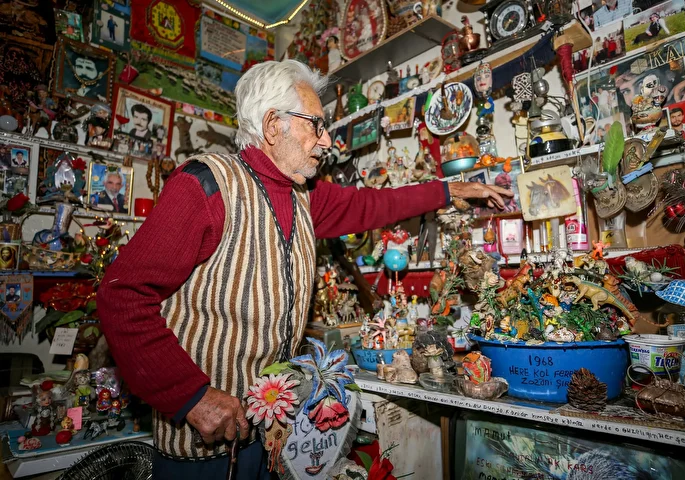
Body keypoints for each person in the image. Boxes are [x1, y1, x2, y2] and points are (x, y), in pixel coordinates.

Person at [97, 60, 512, 479]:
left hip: (273, 436)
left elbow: (374, 205)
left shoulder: (305, 196)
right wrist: (191, 396)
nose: (326, 140)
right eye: (316, 125)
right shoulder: (206, 185)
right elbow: (122, 296)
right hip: (203, 450)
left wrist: (451, 189)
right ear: (272, 125)